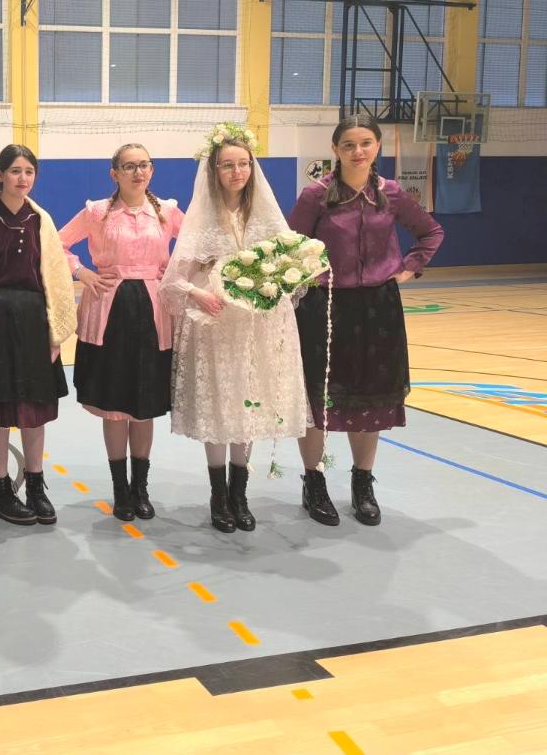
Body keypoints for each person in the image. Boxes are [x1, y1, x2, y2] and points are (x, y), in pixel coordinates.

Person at [289, 114, 444, 526]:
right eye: (348, 145)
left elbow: (431, 232)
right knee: (319, 396)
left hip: (378, 307)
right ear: (335, 150)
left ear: (377, 147)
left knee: (370, 396)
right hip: (324, 306)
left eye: (366, 143)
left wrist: (409, 268)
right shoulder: (315, 195)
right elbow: (292, 247)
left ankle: (363, 483)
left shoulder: (391, 193)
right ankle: (313, 481)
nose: (358, 151)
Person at [160, 124, 309, 533]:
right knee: (219, 406)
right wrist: (198, 293)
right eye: (227, 165)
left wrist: (279, 285)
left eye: (243, 164)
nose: (237, 172)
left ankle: (239, 493)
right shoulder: (202, 219)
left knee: (248, 405)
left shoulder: (265, 217)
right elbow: (172, 281)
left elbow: (288, 269)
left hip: (257, 328)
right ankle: (218, 495)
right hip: (215, 326)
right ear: (214, 170)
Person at [59, 144, 183, 521]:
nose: (137, 172)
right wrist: (82, 271)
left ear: (152, 170)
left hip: (154, 312)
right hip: (109, 312)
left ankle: (140, 487)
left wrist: (177, 277)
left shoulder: (167, 212)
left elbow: (196, 247)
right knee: (114, 408)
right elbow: (56, 244)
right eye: (129, 167)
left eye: (144, 165)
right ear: (114, 174)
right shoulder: (96, 212)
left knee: (143, 407)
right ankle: (120, 490)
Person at [0, 144, 77, 527]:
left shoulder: (39, 218)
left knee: (33, 412)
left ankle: (36, 487)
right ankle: (0, 490)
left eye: (28, 171)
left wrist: (55, 332)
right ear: (0, 174)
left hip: (32, 321)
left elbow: (55, 277)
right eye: (15, 171)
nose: (22, 178)